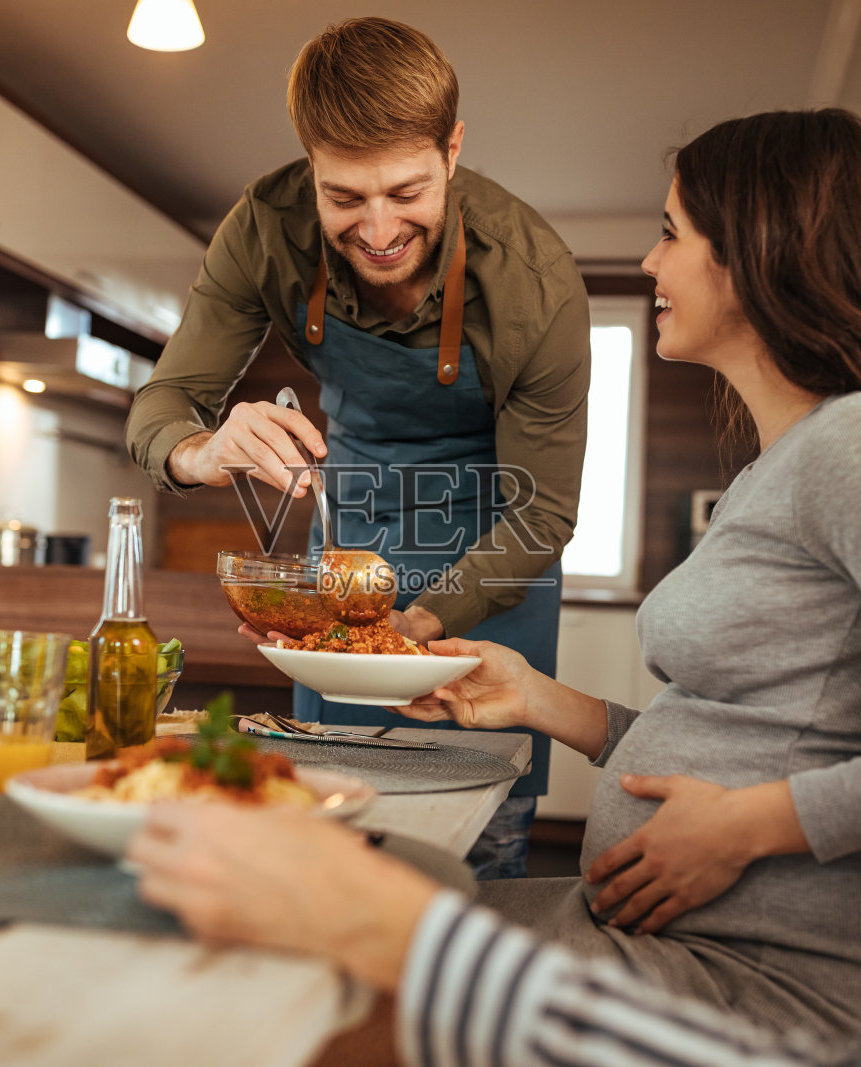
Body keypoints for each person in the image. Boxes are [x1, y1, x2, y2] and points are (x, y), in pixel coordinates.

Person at [135, 0, 861, 1061]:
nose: (646, 261)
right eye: (344, 197)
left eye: (672, 232)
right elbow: (741, 738)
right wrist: (542, 699)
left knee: (298, 976)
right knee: (305, 927)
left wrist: (749, 824)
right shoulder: (778, 469)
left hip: (756, 968)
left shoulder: (855, 449)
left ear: (759, 256)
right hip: (671, 929)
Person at [125, 18, 591, 876]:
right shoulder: (264, 231)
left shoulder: (534, 281)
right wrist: (203, 448)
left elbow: (545, 512)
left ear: (453, 149)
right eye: (344, 198)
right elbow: (164, 402)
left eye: (407, 192)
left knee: (478, 843)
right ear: (310, 165)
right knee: (328, 823)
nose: (378, 230)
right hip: (347, 551)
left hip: (497, 557)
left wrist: (412, 630)